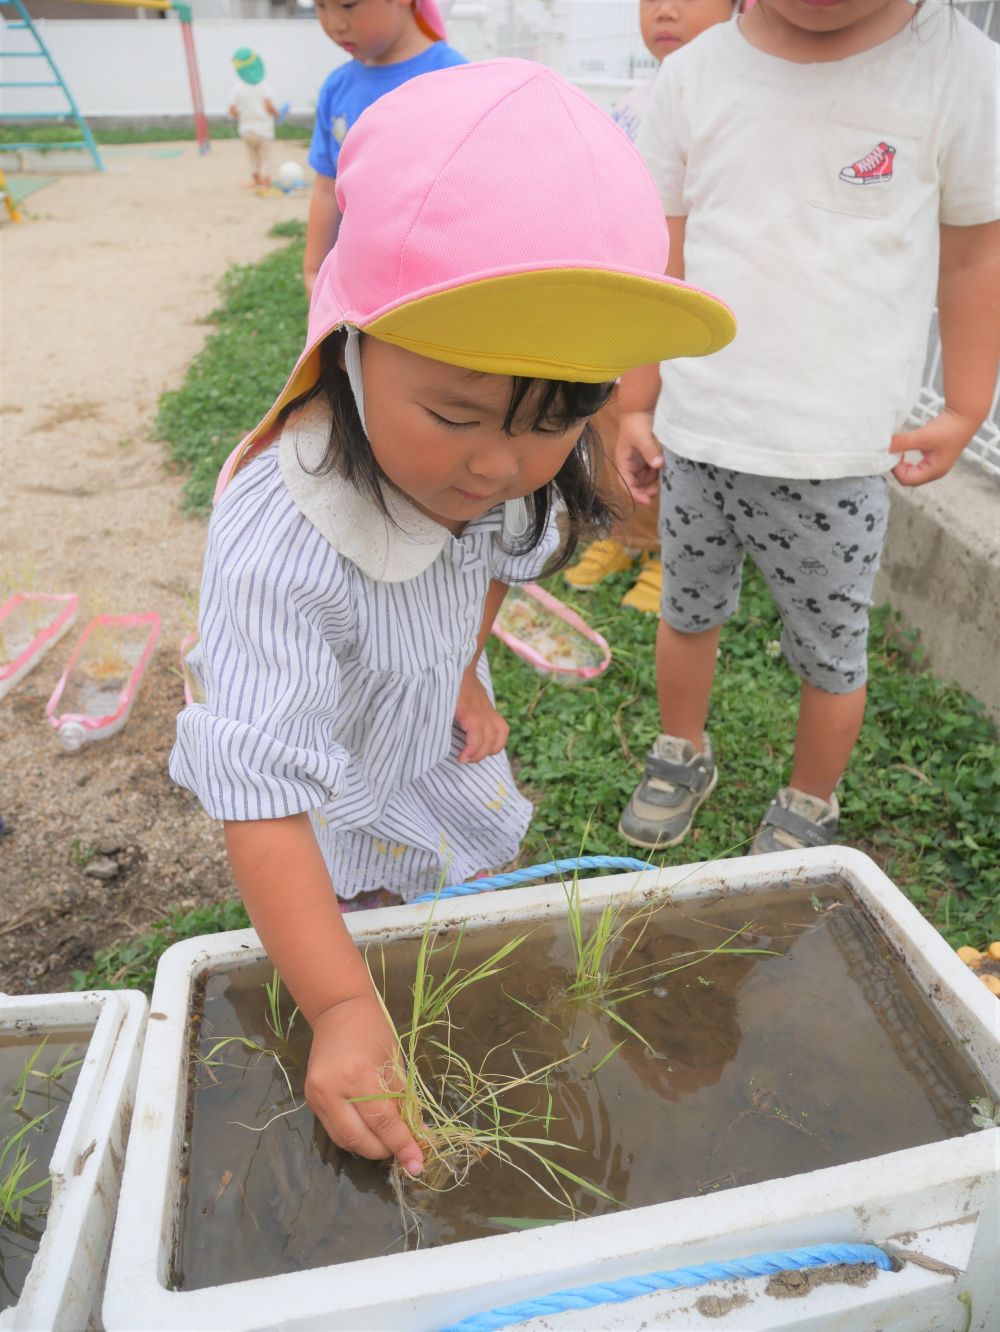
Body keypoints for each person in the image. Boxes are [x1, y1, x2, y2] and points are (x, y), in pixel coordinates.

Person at [170, 60, 734, 1170]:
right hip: (322, 816)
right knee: (355, 971)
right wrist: (333, 1006)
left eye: (551, 421)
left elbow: (482, 564)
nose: (497, 463)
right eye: (455, 411)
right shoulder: (281, 539)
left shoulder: (501, 478)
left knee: (447, 962)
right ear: (350, 335)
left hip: (428, 759)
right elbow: (264, 803)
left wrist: (464, 673)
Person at [617, 0, 999, 854]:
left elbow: (976, 250)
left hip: (837, 453)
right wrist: (634, 400)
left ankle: (809, 799)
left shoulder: (958, 66)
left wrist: (967, 404)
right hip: (700, 431)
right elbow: (661, 256)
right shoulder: (696, 74)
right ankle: (681, 751)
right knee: (686, 612)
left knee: (832, 651)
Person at [564, 0, 734, 614]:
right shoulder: (633, 103)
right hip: (626, 297)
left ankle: (669, 550)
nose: (665, 9)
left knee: (668, 429)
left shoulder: (732, 100)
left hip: (690, 304)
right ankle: (624, 533)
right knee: (612, 419)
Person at [303, 0, 466, 297]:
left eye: (347, 5)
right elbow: (327, 186)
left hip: (434, 289)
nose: (334, 23)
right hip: (358, 289)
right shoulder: (336, 87)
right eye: (320, 6)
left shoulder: (457, 80)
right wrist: (313, 269)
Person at [228, 49, 280, 191]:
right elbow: (269, 106)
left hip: (246, 130)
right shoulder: (264, 86)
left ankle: (256, 181)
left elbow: (232, 110)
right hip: (263, 130)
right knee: (266, 157)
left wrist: (241, 114)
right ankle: (266, 183)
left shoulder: (237, 88)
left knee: (253, 157)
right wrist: (277, 113)